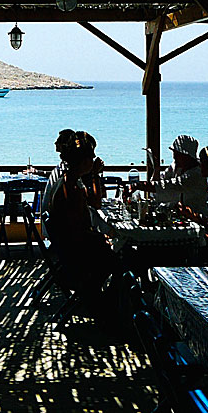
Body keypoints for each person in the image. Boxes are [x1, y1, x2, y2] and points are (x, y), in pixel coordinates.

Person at [46, 130, 123, 321]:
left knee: (121, 252)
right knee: (126, 259)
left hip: (71, 252)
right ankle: (106, 307)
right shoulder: (71, 190)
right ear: (83, 162)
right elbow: (77, 235)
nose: (94, 159)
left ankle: (105, 303)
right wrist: (100, 238)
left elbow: (95, 203)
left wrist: (95, 175)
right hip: (77, 259)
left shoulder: (71, 181)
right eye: (91, 157)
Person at [127, 134, 208, 216]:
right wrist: (156, 169)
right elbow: (158, 185)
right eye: (174, 153)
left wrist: (137, 186)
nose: (174, 157)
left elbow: (167, 186)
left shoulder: (196, 174)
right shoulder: (176, 165)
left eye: (177, 154)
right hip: (178, 215)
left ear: (186, 156)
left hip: (197, 217)